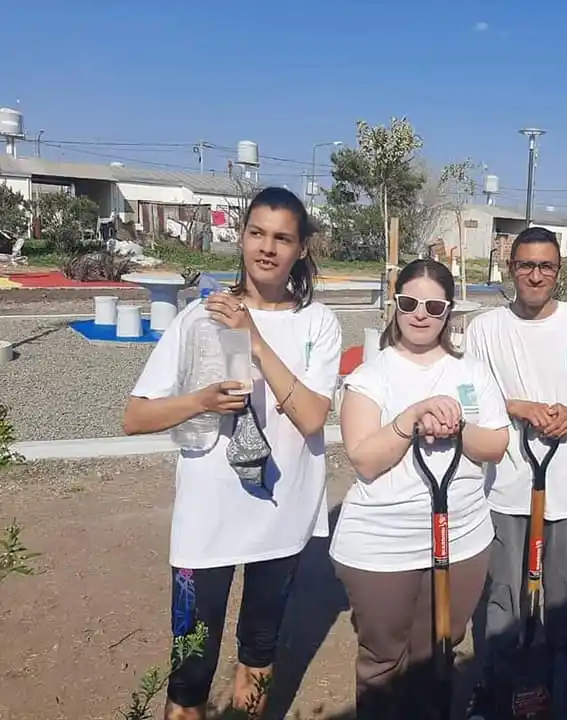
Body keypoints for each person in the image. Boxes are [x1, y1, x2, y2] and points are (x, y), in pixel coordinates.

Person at [122, 187, 343, 720]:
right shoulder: (200, 319)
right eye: (257, 233)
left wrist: (255, 340)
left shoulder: (319, 325)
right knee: (190, 666)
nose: (267, 248)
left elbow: (313, 417)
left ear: (301, 248)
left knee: (259, 649)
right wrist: (199, 401)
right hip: (207, 518)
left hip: (281, 515)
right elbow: (135, 417)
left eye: (282, 238)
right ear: (242, 238)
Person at [331, 259, 510, 719]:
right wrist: (410, 418)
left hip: (462, 537)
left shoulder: (473, 371)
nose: (420, 314)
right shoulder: (372, 376)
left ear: (448, 311)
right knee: (384, 664)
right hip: (382, 545)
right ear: (396, 305)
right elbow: (365, 458)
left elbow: (495, 444)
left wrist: (457, 427)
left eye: (434, 305)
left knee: (437, 658)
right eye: (409, 303)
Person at [464, 226, 567, 697]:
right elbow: (470, 398)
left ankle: (559, 687)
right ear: (510, 268)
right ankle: (496, 688)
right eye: (526, 265)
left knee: (561, 600)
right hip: (506, 484)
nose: (536, 275)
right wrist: (519, 407)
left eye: (546, 266)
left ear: (558, 271)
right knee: (505, 596)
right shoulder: (485, 329)